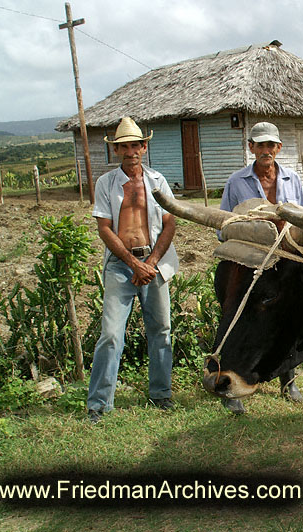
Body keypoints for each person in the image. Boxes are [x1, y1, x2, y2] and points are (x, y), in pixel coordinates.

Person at [87, 116, 179, 424]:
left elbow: (170, 223)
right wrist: (133, 263)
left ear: (144, 147)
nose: (130, 152)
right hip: (120, 265)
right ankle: (98, 405)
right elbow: (104, 228)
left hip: (153, 264)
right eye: (123, 147)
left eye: (135, 145)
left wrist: (150, 263)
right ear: (116, 151)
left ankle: (161, 395)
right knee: (111, 334)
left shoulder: (157, 181)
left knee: (161, 331)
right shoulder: (106, 183)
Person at [219, 122, 303, 412]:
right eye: (260, 145)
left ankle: (288, 380)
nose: (266, 150)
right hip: (249, 263)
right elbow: (223, 226)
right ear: (251, 148)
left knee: (286, 321)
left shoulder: (292, 179)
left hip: (285, 263)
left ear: (278, 148)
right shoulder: (236, 182)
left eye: (271, 145)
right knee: (240, 322)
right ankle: (231, 387)